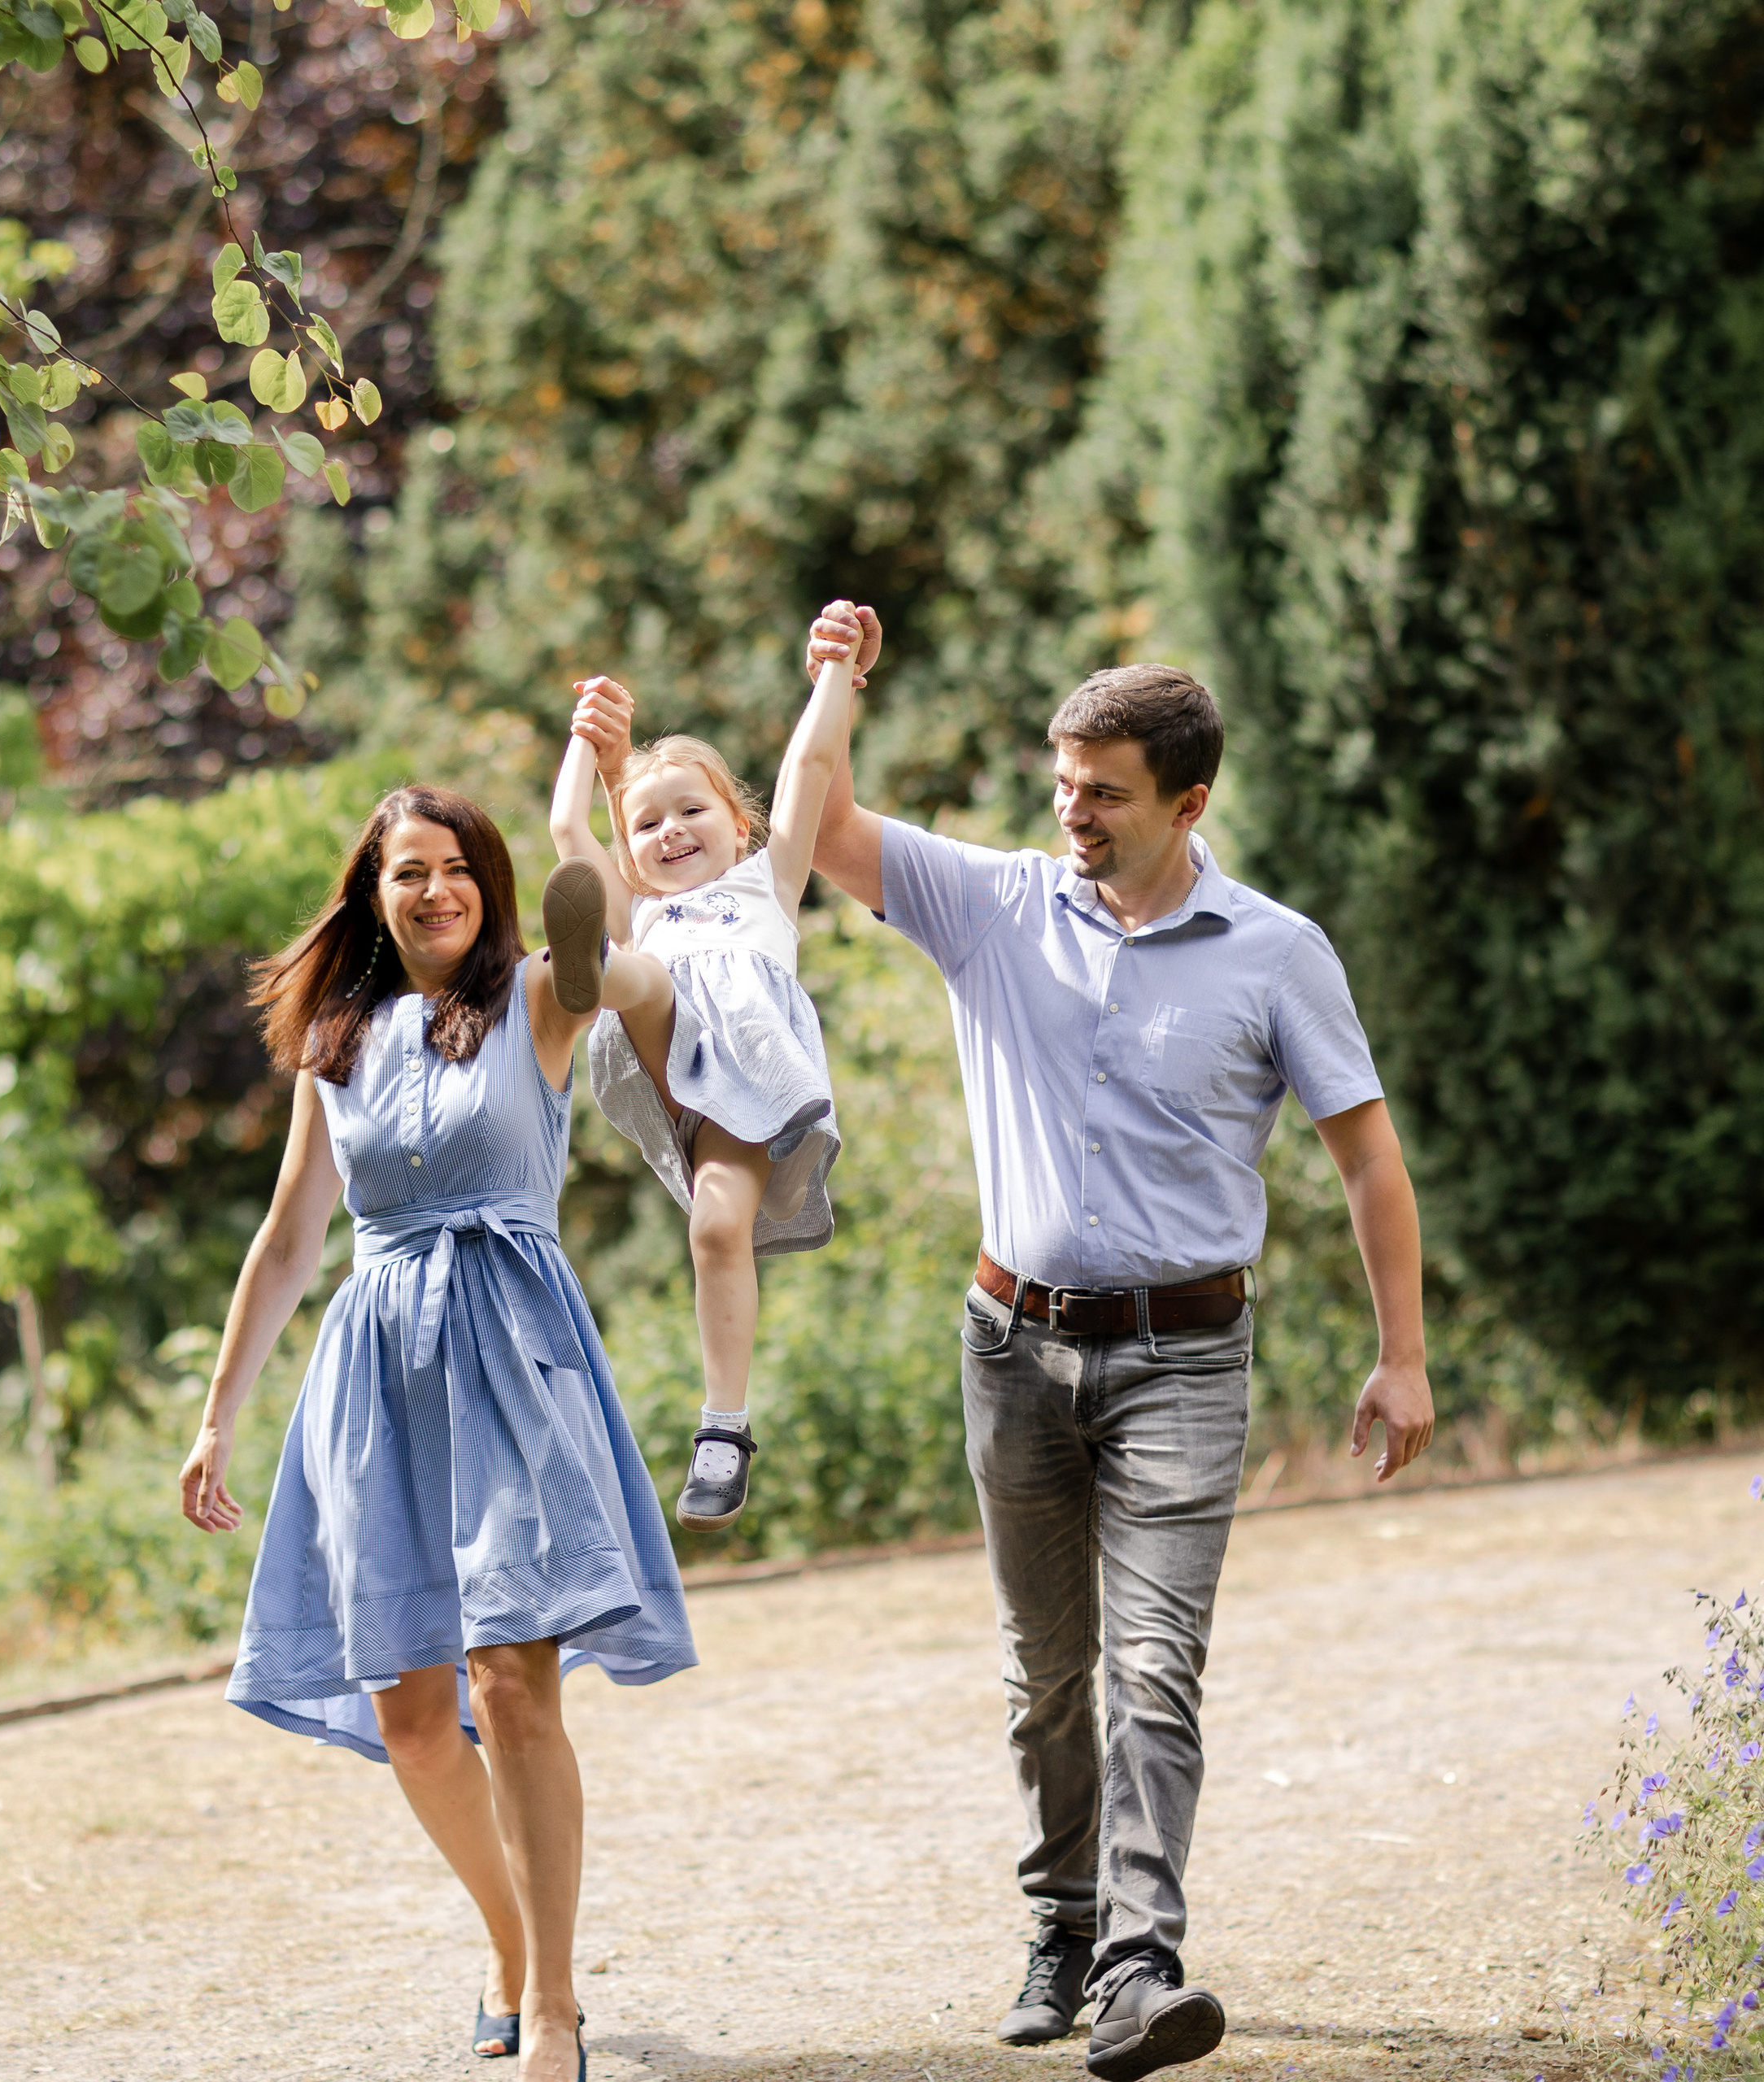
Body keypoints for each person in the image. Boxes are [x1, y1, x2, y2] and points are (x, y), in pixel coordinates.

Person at [786, 607, 1435, 2080]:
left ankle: (1144, 1970)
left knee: (1154, 1668)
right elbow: (811, 825)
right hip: (1010, 1346)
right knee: (1044, 1674)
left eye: (1105, 792)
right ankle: (1061, 1925)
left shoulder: (1276, 954)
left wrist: (1402, 1355)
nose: (1071, 813)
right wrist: (837, 679)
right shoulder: (995, 903)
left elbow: (1368, 1158)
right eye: (1062, 784)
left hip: (1187, 1361)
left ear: (1188, 802)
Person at [178, 784, 696, 2082]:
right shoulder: (337, 1039)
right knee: (411, 1713)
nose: (436, 891)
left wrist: (599, 930)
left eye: (459, 868)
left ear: (491, 885)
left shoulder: (536, 998)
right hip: (377, 1370)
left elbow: (641, 985)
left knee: (510, 1680)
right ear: (374, 893)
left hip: (512, 1350)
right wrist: (218, 1417)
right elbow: (294, 1233)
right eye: (409, 871)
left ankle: (559, 2006)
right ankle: (511, 1942)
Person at [534, 624, 860, 1531]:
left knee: (720, 1228)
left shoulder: (768, 884)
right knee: (637, 962)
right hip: (656, 1029)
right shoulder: (647, 907)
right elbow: (569, 826)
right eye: (645, 824)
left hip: (744, 1088)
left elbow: (809, 765)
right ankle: (591, 968)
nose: (669, 831)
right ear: (629, 850)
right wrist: (588, 739)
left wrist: (835, 669)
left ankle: (724, 1431)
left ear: (737, 822)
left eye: (691, 811)